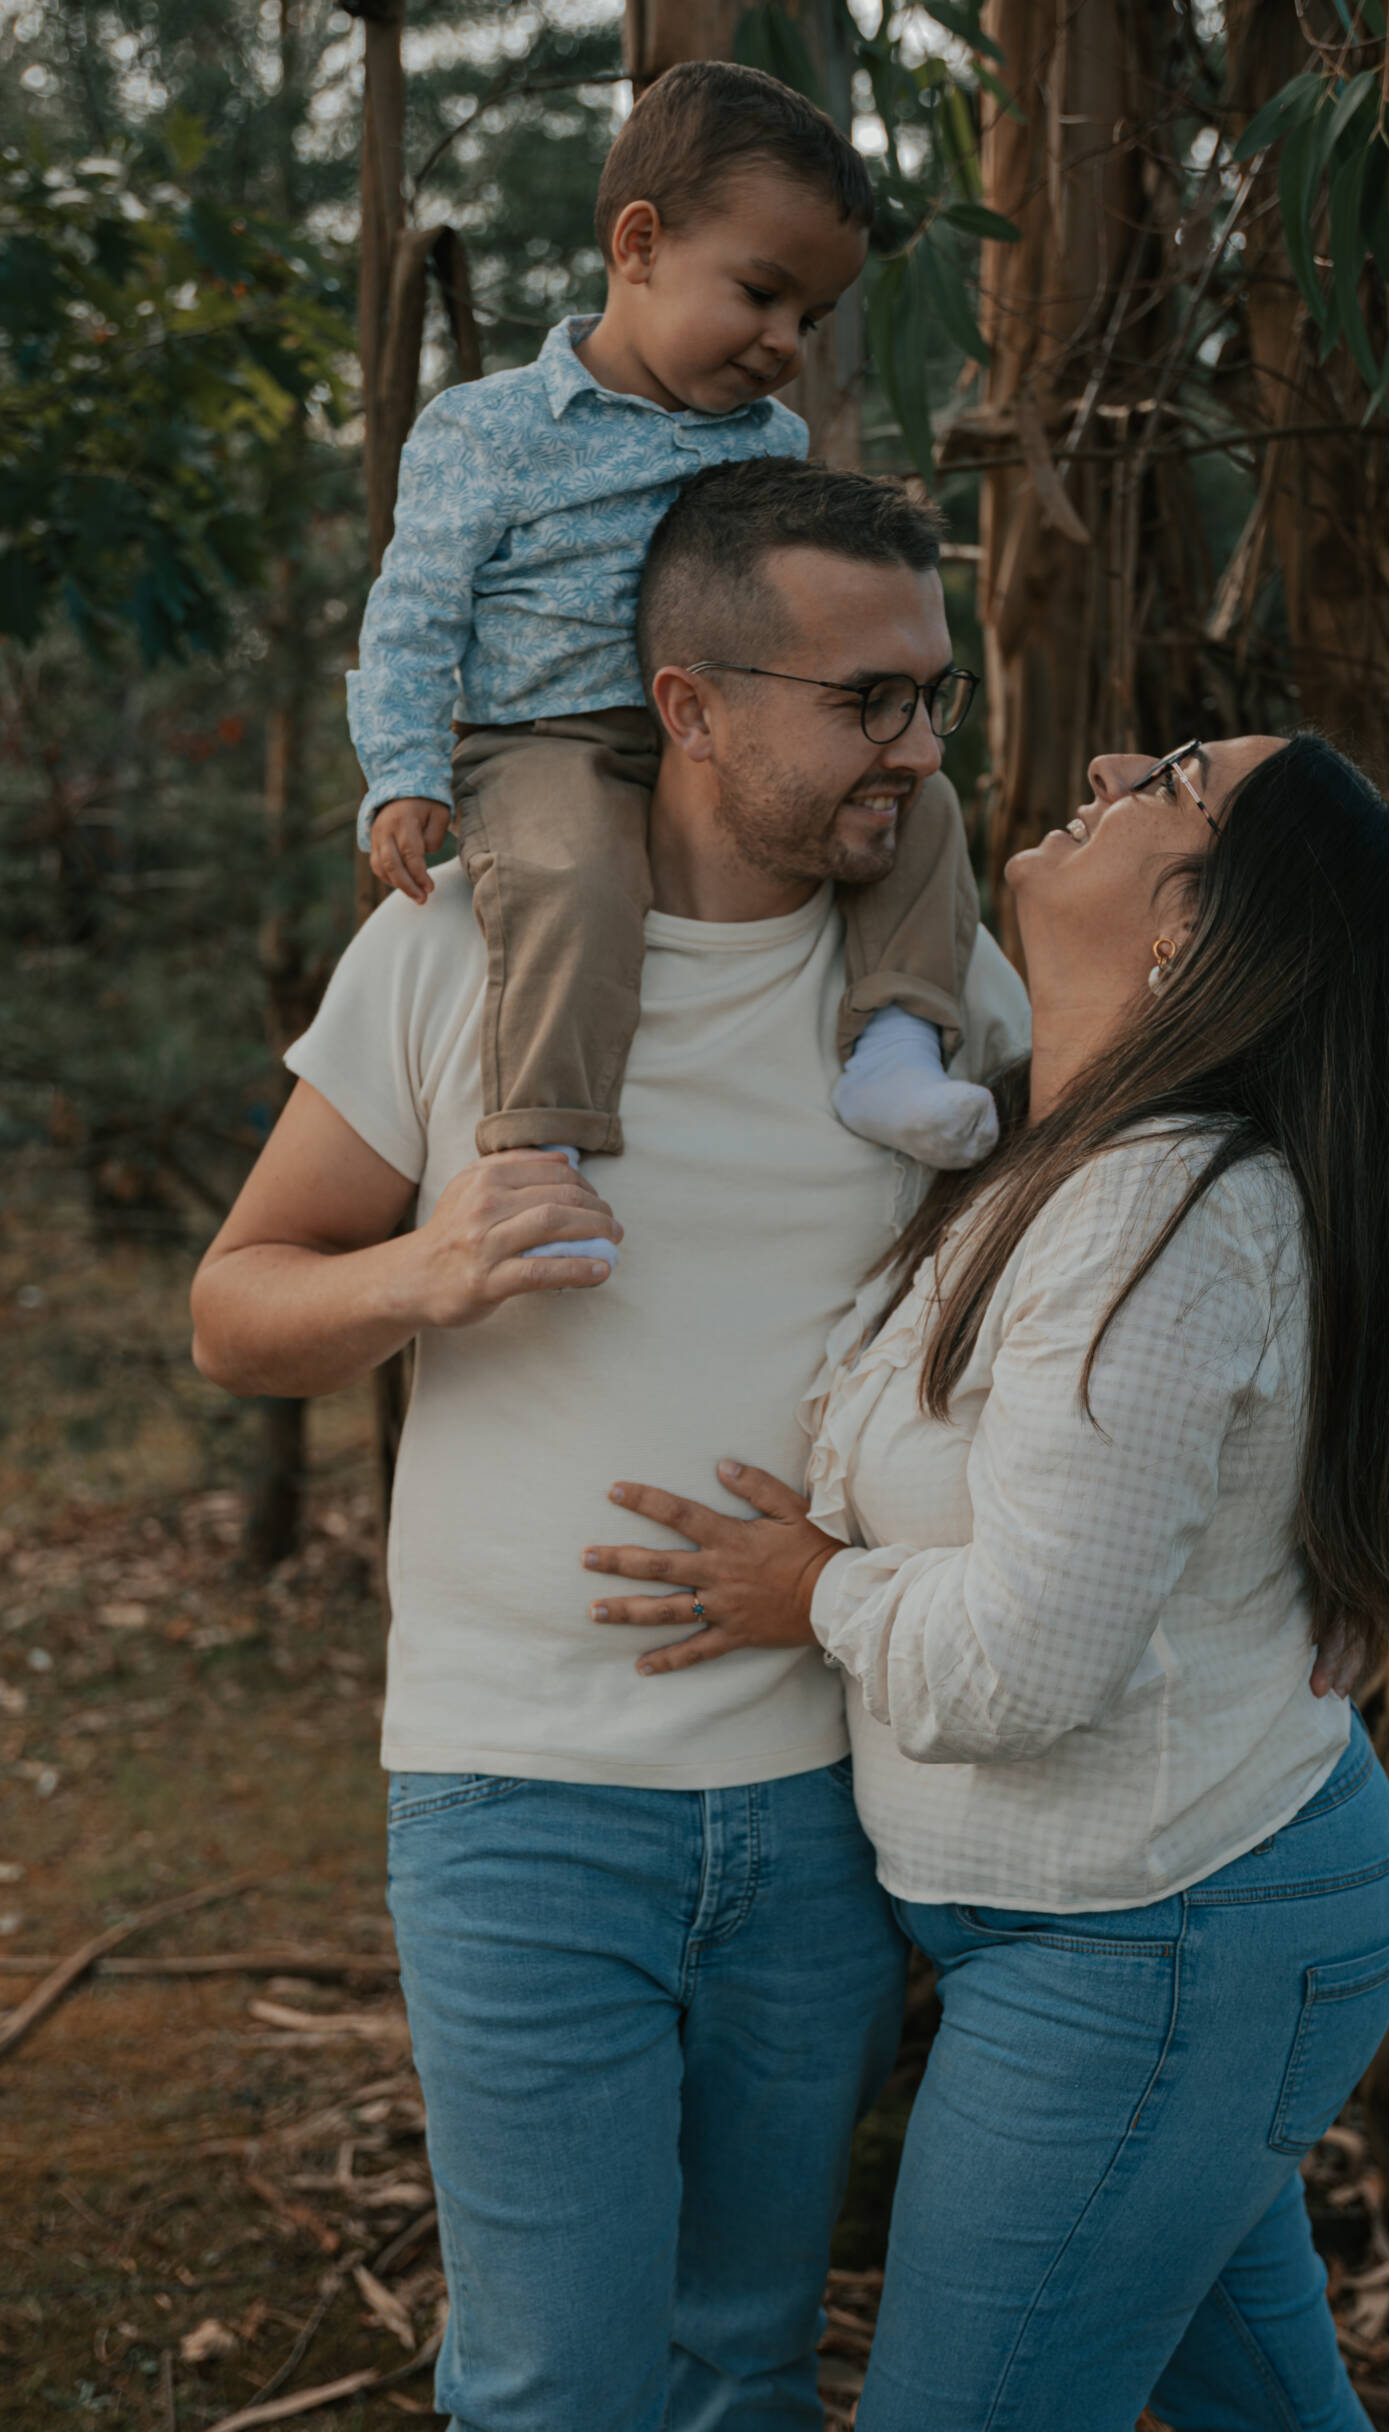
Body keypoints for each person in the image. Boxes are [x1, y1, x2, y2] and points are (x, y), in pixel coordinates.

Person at [189, 458, 1031, 2432]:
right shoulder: (459, 944)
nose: (918, 749)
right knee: (555, 2381)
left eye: (932, 695)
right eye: (866, 700)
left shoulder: (934, 998)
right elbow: (234, 1310)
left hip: (826, 1796)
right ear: (689, 706)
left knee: (741, 2360)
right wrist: (427, 1266)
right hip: (517, 1795)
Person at [583, 730, 1389, 2432]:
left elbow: (1025, 1666)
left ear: (1190, 926)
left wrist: (811, 1592)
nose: (1110, 758)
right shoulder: (1052, 1156)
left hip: (1161, 1941)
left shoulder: (1157, 1211)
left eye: (1174, 777)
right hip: (1151, 1927)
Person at [351, 59, 998, 1197]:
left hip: (719, 727)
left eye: (811, 317)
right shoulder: (488, 432)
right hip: (547, 737)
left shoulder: (767, 441)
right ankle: (543, 1142)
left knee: (920, 803)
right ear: (640, 244)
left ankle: (895, 1046)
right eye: (760, 293)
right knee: (573, 870)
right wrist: (402, 772)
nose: (785, 341)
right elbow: (413, 615)